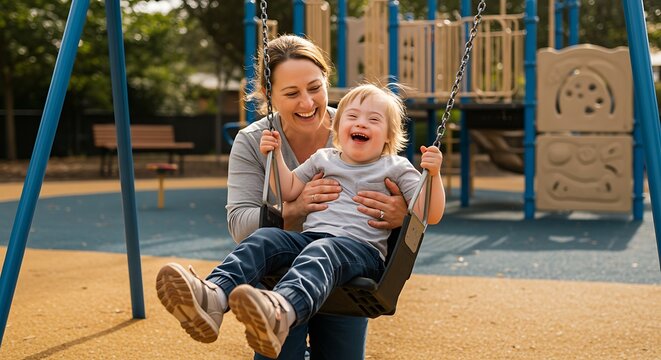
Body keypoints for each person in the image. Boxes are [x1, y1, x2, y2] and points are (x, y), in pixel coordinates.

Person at [155, 83, 446, 359]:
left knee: (323, 252)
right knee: (265, 238)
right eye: (352, 117)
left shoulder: (396, 166)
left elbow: (428, 214)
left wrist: (433, 177)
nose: (361, 124)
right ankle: (214, 296)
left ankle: (281, 312)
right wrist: (275, 156)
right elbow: (290, 188)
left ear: (388, 137)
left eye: (373, 120)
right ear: (337, 127)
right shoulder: (324, 158)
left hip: (361, 252)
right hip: (312, 240)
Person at [226, 34, 409, 360]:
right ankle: (214, 296)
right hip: (279, 271)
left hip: (345, 273)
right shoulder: (253, 142)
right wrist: (295, 208)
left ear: (327, 79)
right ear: (269, 96)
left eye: (315, 87)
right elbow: (241, 227)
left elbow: (413, 197)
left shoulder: (360, 128)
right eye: (292, 93)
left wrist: (402, 215)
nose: (308, 103)